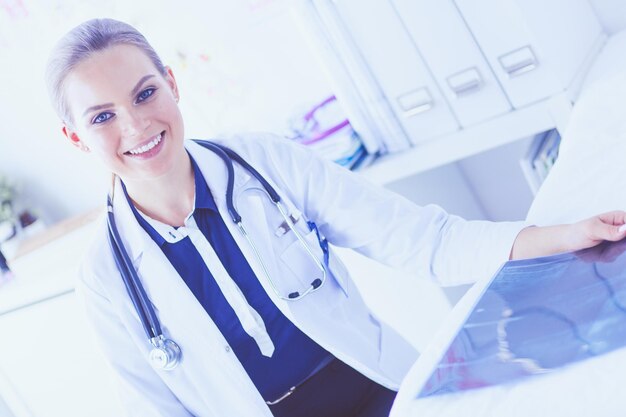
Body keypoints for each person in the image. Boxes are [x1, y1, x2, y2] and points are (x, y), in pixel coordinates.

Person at [45, 18, 626, 417]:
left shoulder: (265, 164)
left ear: (172, 85)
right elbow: (156, 408)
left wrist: (559, 235)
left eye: (145, 94)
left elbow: (419, 240)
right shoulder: (104, 277)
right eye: (102, 117)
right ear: (75, 138)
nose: (136, 125)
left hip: (377, 392)